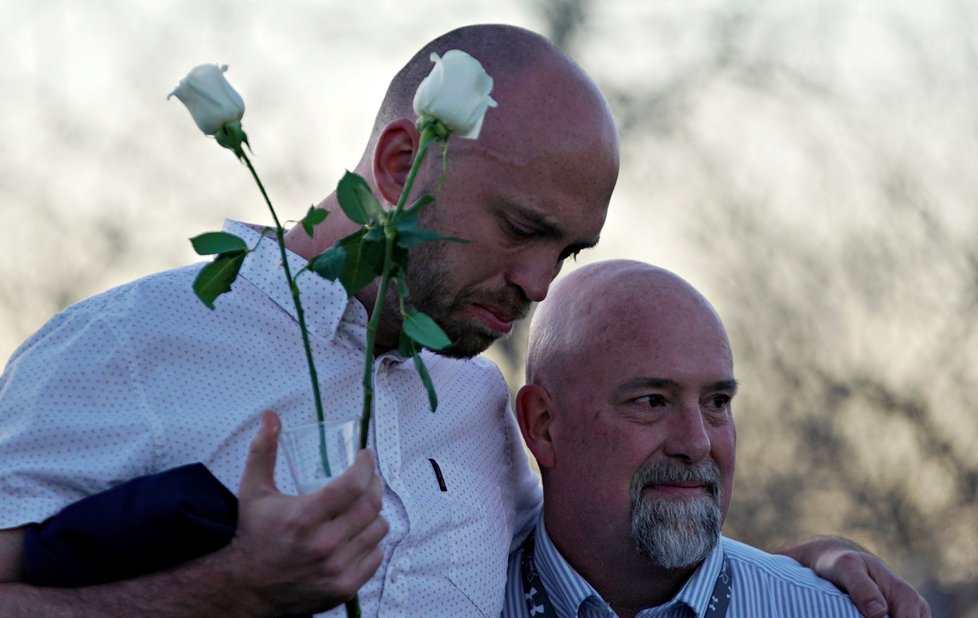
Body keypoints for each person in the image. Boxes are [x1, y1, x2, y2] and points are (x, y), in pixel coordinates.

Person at [0, 24, 921, 618]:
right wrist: (223, 591)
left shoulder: (481, 407)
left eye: (565, 253)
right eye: (522, 230)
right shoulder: (126, 348)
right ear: (402, 161)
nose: (536, 283)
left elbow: (596, 560)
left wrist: (808, 574)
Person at [505, 260, 929, 617]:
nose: (697, 443)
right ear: (542, 424)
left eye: (717, 402)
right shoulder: (454, 600)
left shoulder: (827, 610)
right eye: (652, 401)